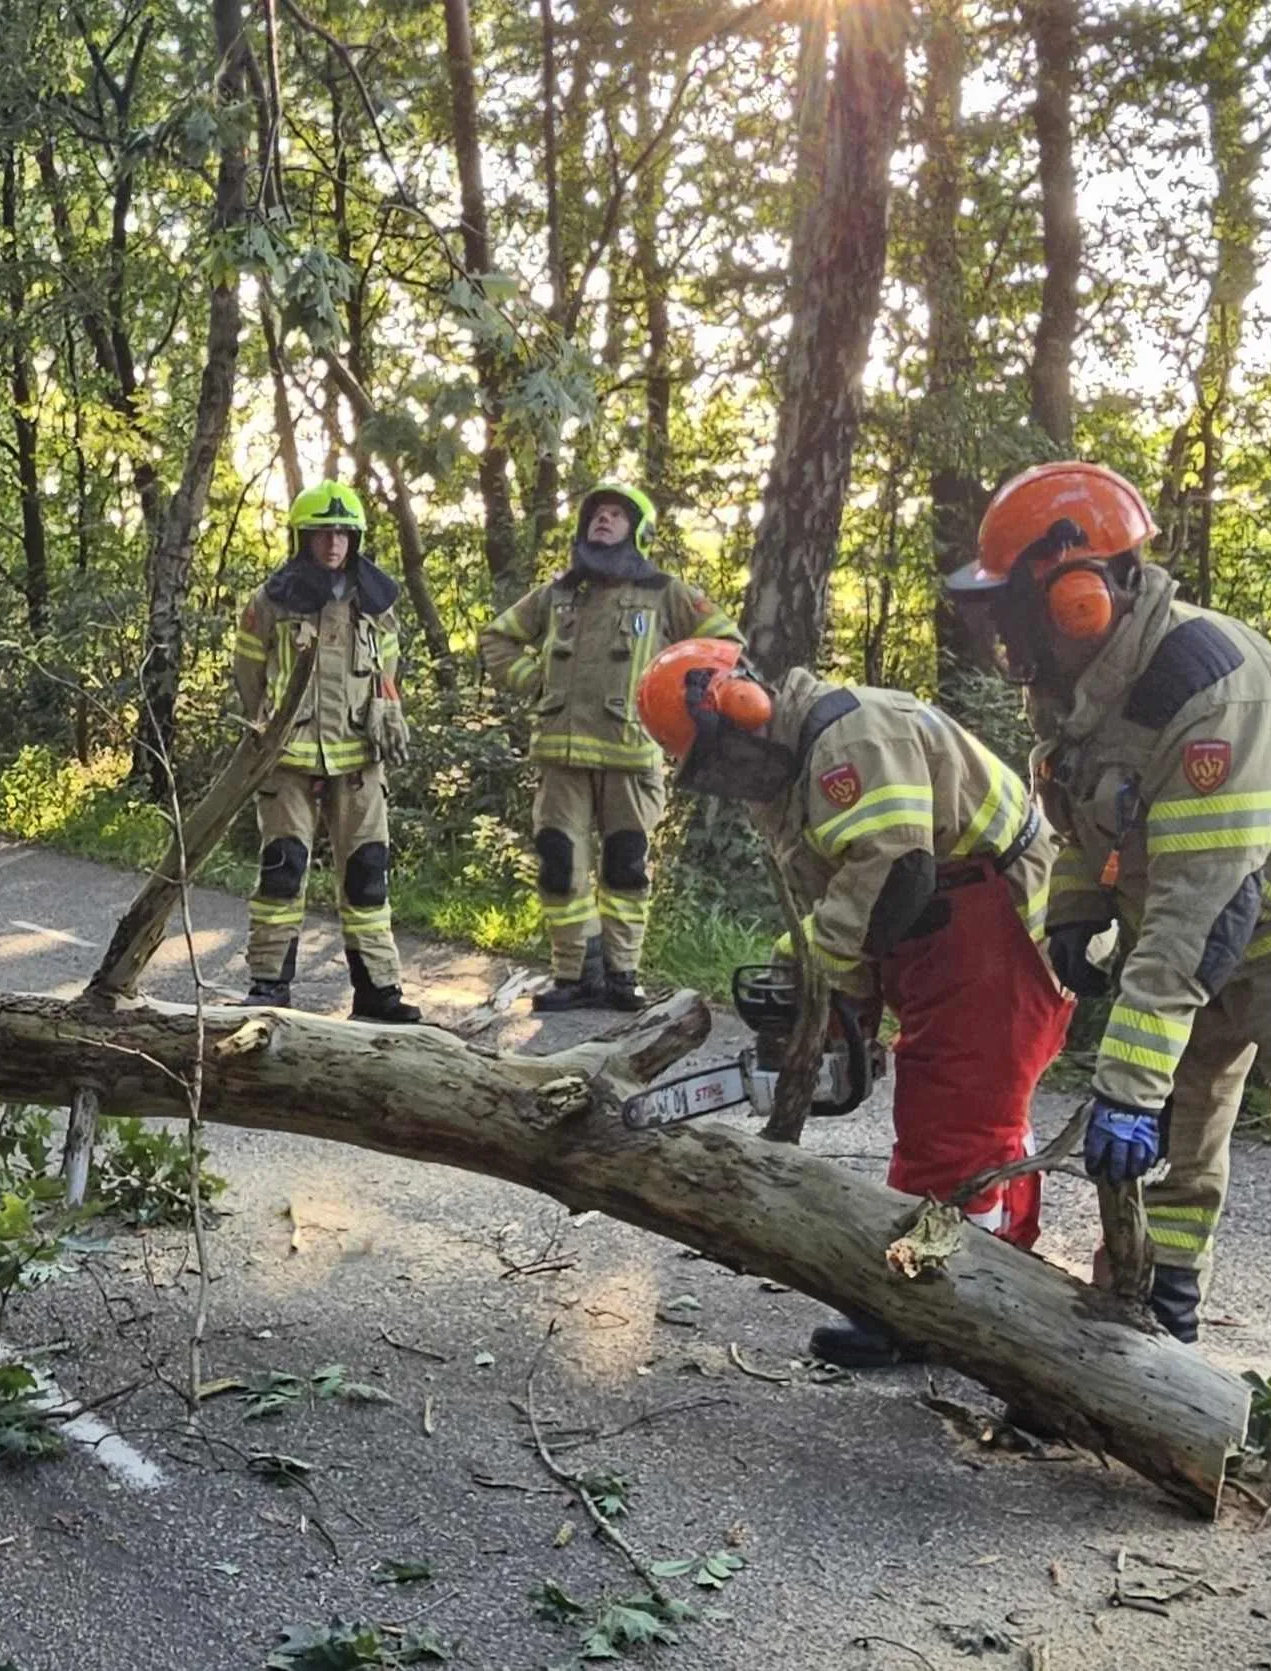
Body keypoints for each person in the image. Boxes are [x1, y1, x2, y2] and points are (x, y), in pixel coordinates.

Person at [947, 459, 1271, 1515]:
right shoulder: (1080, 689)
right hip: (1191, 945)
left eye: (1012, 608)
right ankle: (1151, 1336)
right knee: (1167, 1161)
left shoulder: (1208, 683)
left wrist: (1125, 1078)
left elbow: (1206, 906)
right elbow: (1082, 823)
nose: (1002, 637)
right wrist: (1074, 917)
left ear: (1078, 589)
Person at [635, 638, 1073, 1366]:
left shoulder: (848, 738)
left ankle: (924, 1303)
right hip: (942, 921)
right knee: (987, 1118)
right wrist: (846, 1018)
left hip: (993, 914)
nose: (727, 779)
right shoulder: (785, 780)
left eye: (720, 756)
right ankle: (998, 1273)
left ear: (745, 707)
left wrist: (816, 969)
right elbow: (854, 894)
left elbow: (896, 871)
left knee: (951, 1119)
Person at [480, 485, 741, 1012]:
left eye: (616, 515)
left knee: (625, 867)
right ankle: (575, 975)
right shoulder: (557, 593)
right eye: (596, 514)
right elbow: (498, 637)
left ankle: (622, 977)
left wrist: (680, 702)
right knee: (560, 865)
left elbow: (725, 644)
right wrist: (533, 680)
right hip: (560, 761)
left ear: (636, 531)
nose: (603, 520)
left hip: (631, 757)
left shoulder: (665, 592)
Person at [228, 480, 422, 1025]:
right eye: (323, 533)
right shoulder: (270, 602)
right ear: (304, 538)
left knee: (367, 874)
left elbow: (387, 673)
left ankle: (377, 992)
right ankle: (269, 984)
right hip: (287, 761)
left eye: (343, 533)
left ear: (354, 539)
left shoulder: (375, 603)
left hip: (359, 763)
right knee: (282, 871)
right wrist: (264, 727)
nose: (333, 543)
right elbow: (248, 672)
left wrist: (389, 706)